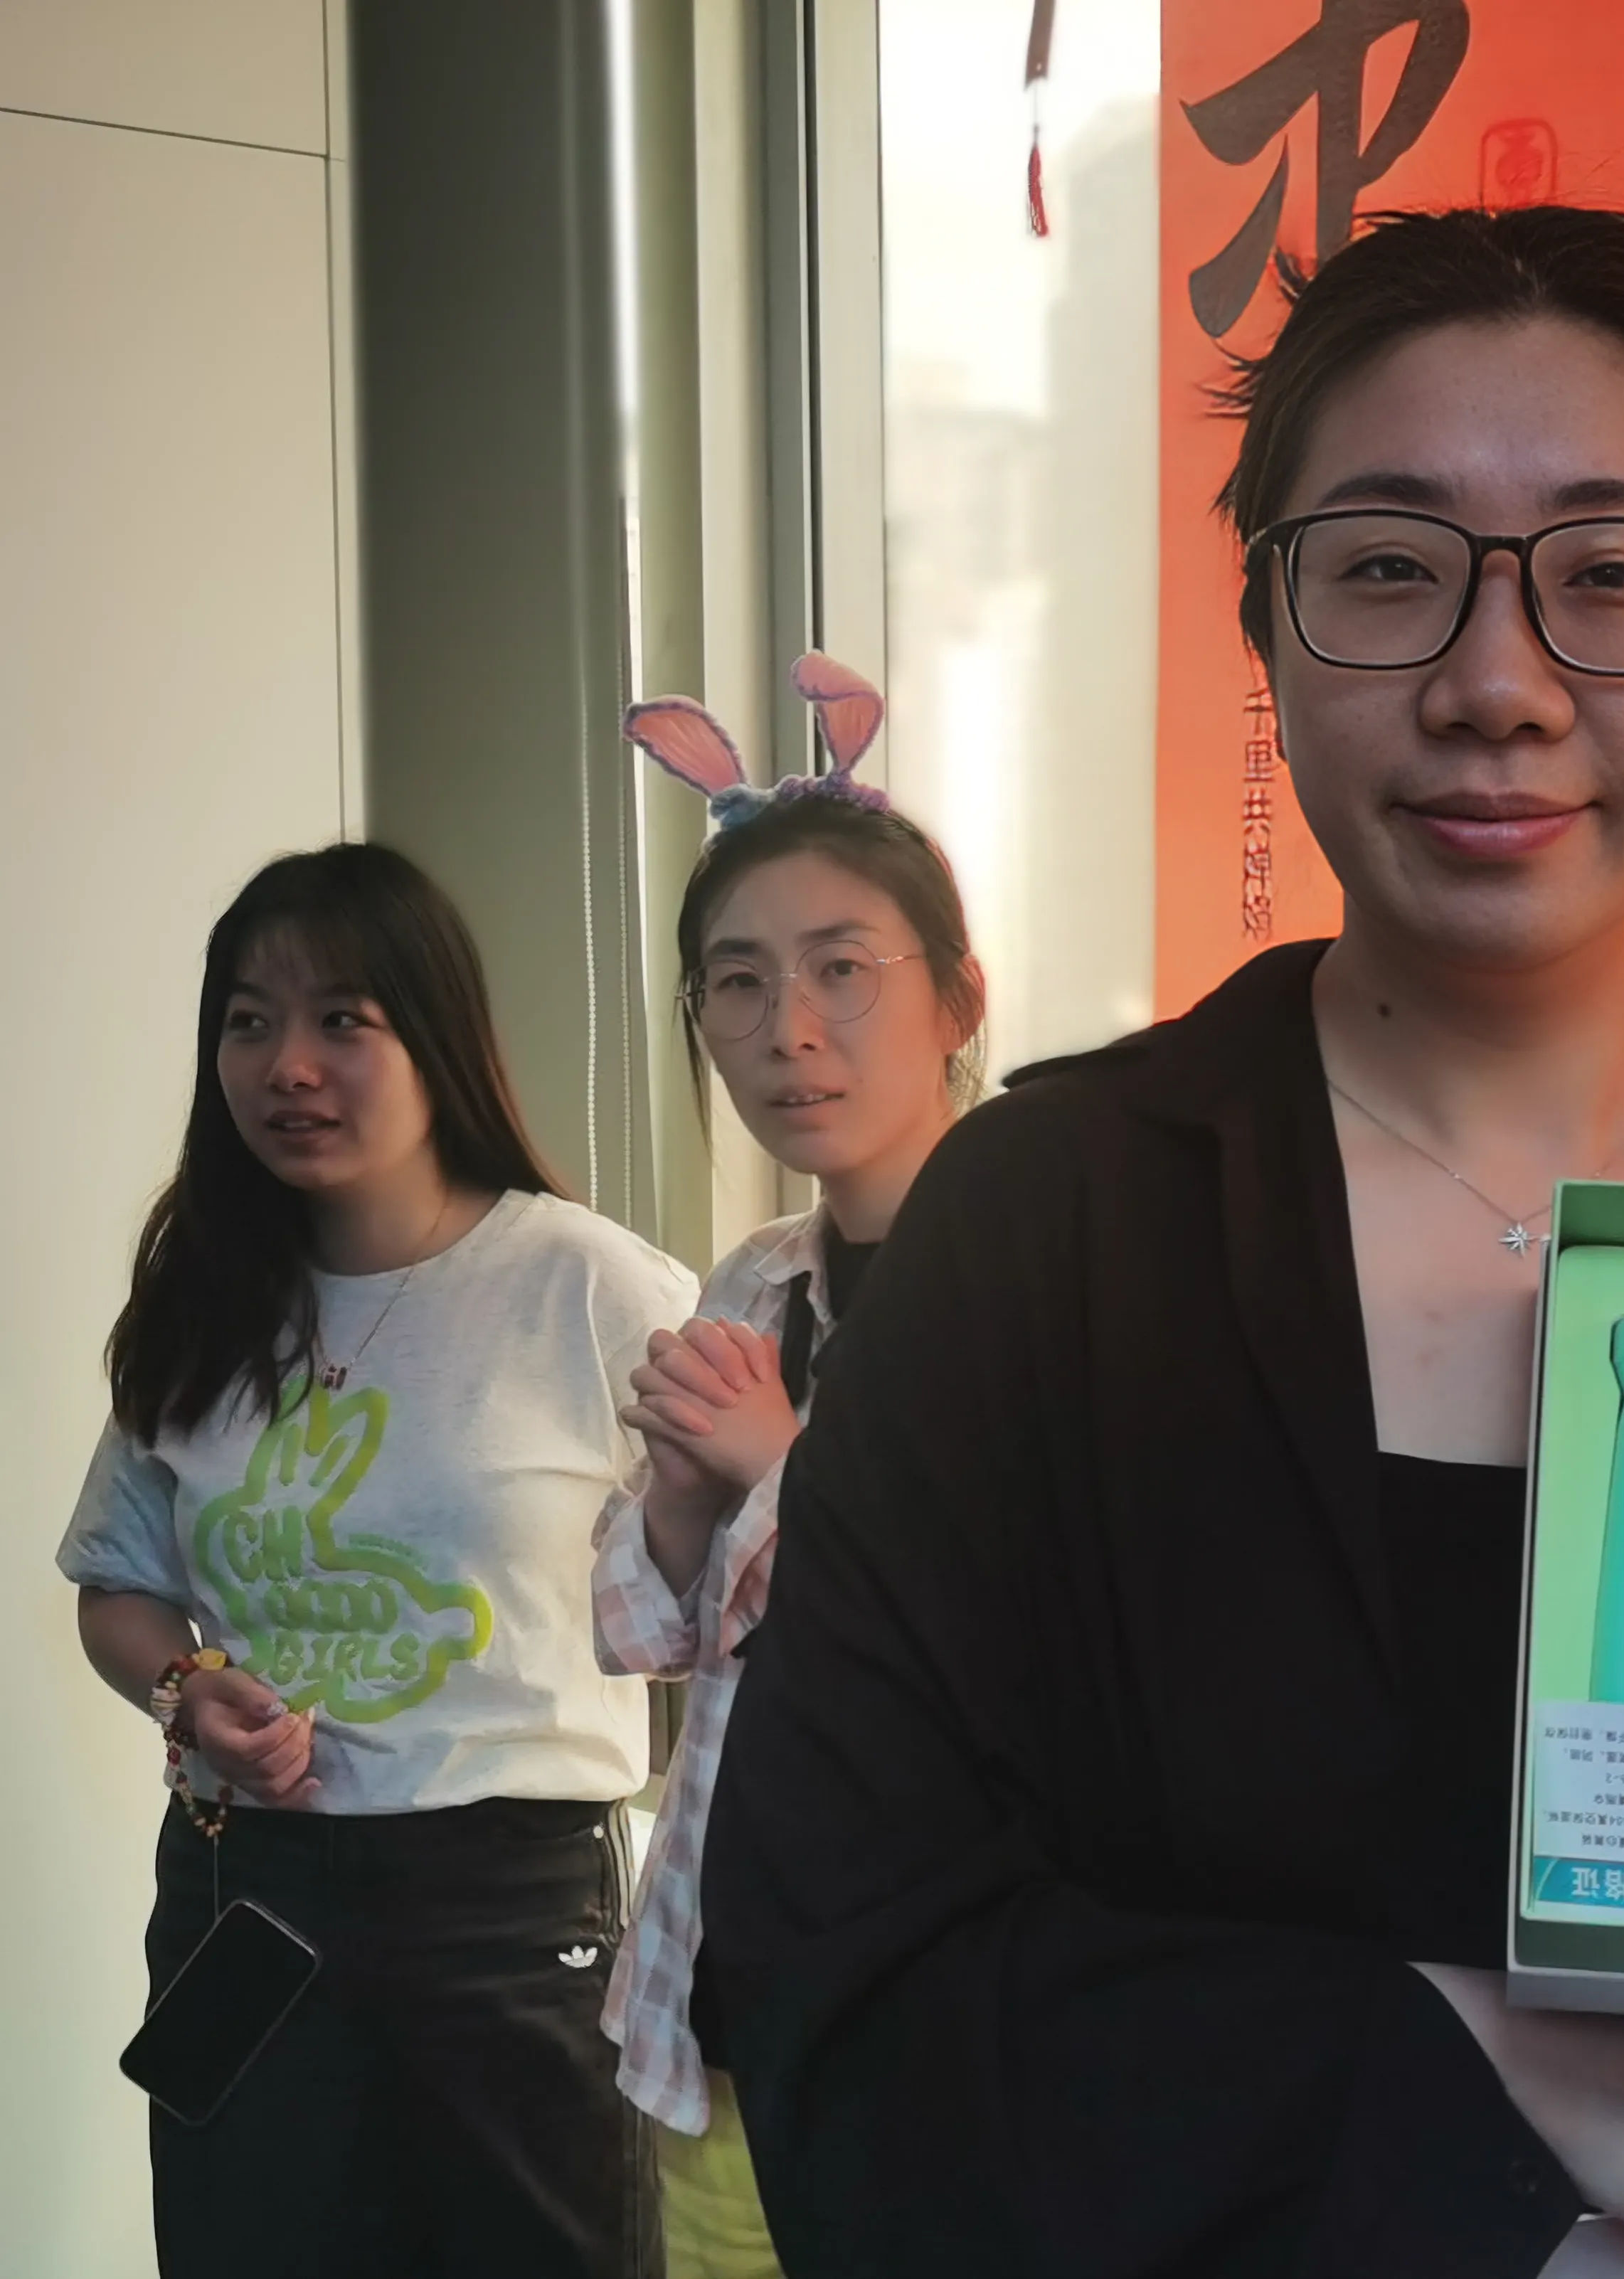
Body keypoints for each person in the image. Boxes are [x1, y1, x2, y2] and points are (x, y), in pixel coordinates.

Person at [701, 204, 1624, 2279]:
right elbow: (834, 1978)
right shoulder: (1048, 1236)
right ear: (1269, 628)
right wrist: (1473, 2055)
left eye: (1611, 576)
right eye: (1390, 569)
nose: (1498, 683)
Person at [60, 842, 695, 2279]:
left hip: (509, 1905)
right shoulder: (202, 1300)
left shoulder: (586, 1285)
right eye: (248, 1021)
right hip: (244, 1890)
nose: (287, 1065)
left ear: (435, 1035)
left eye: (341, 1019)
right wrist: (186, 1688)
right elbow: (117, 1585)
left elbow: (735, 1565)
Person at [593, 655, 987, 2279]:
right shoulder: (758, 1279)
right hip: (730, 1994)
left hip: (959, 2026)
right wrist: (688, 1497)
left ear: (958, 997)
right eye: (737, 984)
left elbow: (1008, 1648)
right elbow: (642, 1632)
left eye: (841, 968)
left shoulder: (1048, 1277)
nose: (791, 1032)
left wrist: (778, 1468)